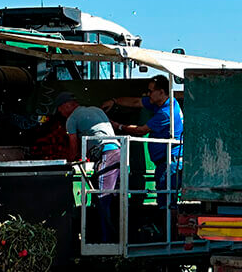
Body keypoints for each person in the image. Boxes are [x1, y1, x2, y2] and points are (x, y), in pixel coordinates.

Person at [103, 75, 183, 209]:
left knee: (166, 205)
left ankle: (168, 228)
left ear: (162, 92)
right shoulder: (163, 103)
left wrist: (118, 127)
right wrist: (114, 101)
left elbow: (141, 130)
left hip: (169, 163)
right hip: (166, 162)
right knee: (166, 201)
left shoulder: (166, 113)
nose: (148, 94)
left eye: (151, 91)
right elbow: (137, 102)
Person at [55, 92, 120, 242]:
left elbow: (73, 146)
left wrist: (69, 163)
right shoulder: (97, 110)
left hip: (107, 154)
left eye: (61, 110)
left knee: (103, 198)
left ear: (67, 105)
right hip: (119, 152)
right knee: (117, 199)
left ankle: (106, 243)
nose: (62, 114)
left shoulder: (72, 119)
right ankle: (118, 238)